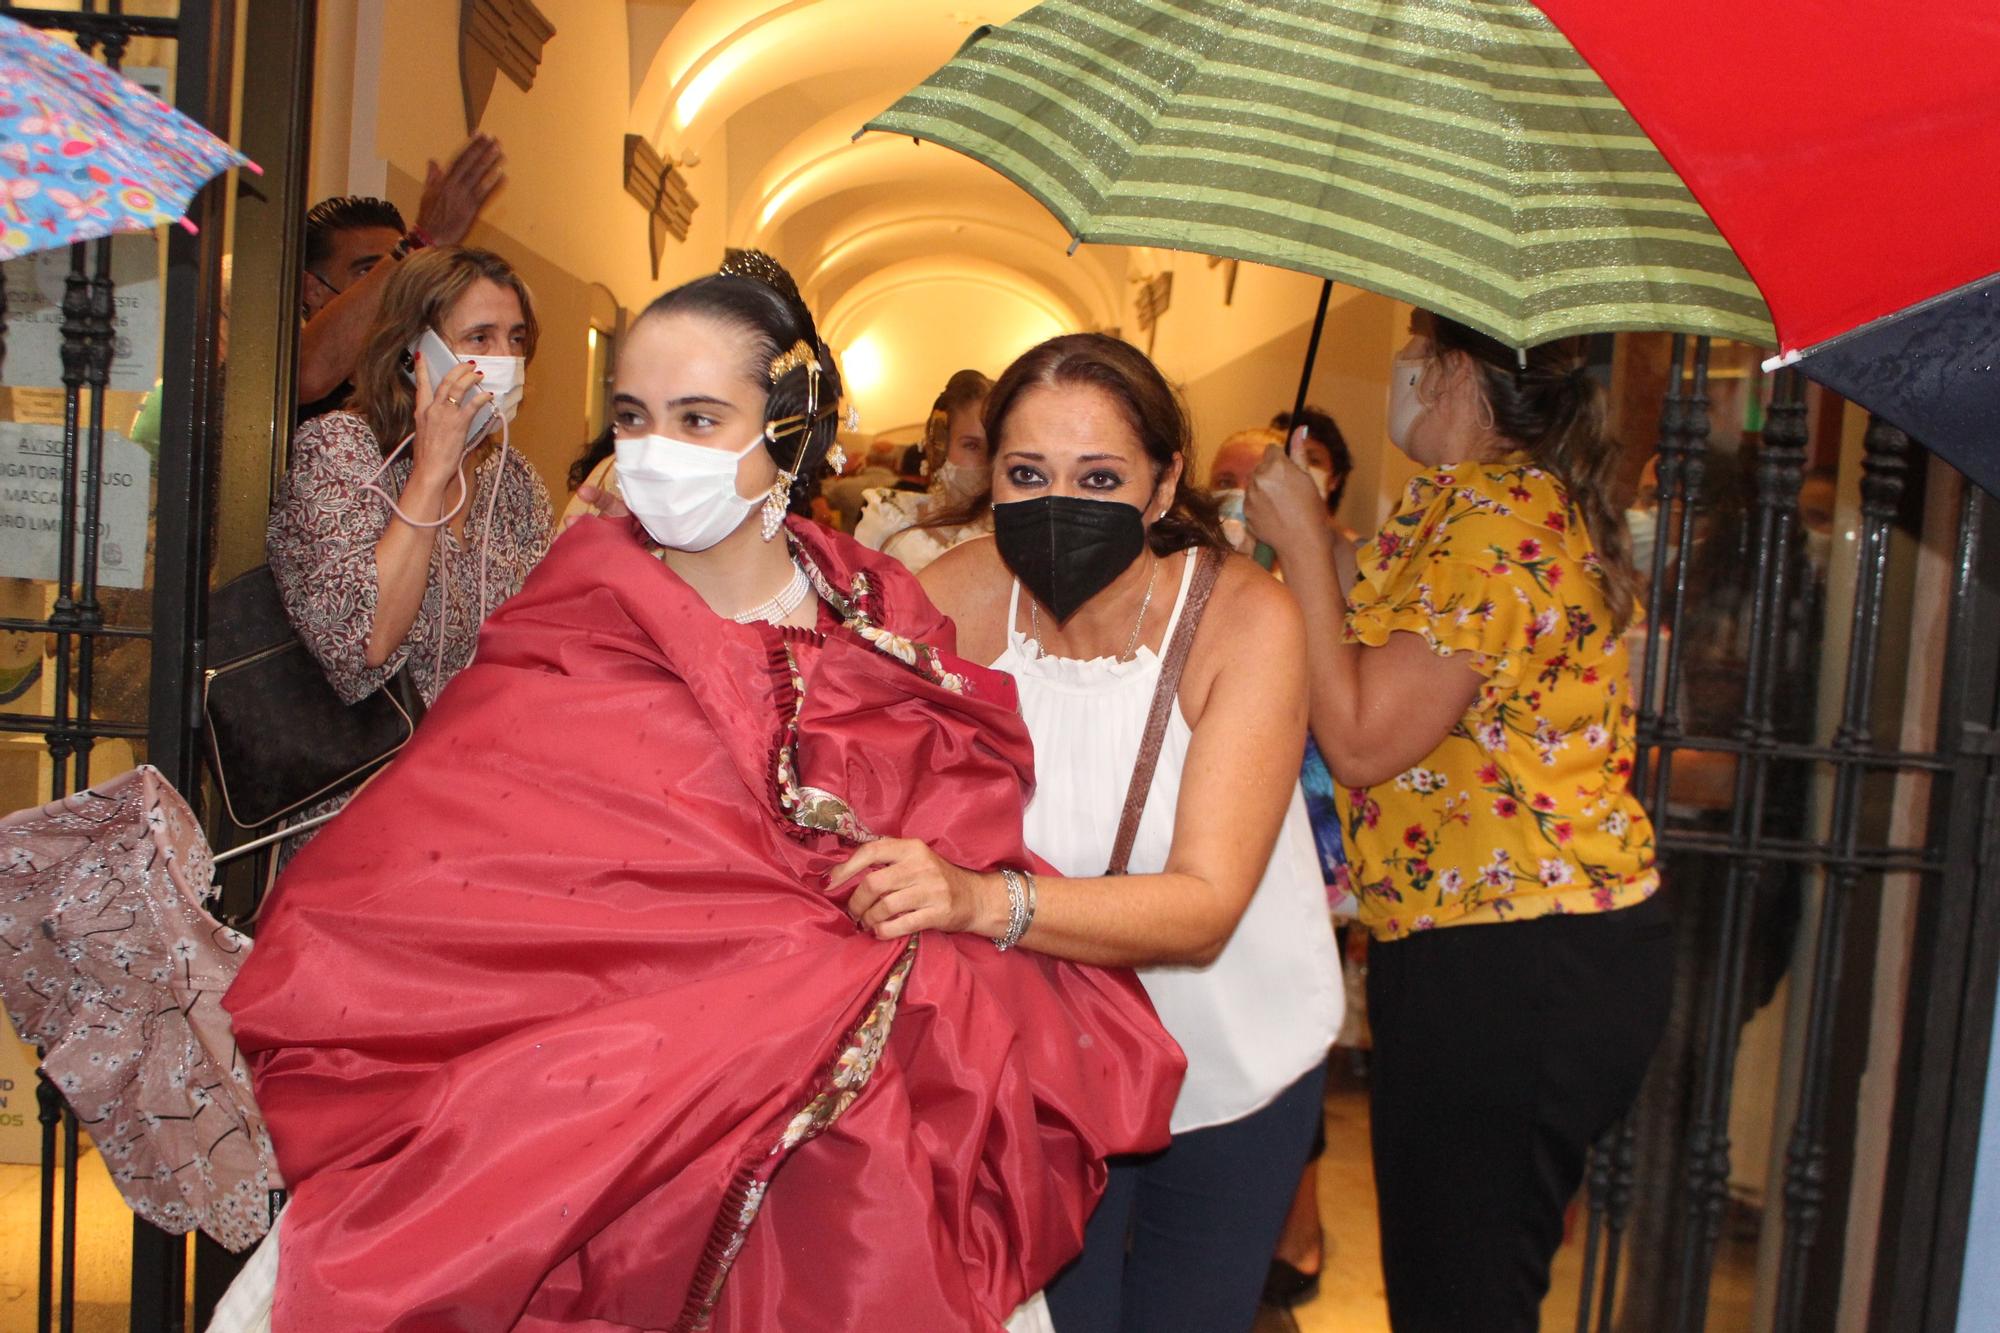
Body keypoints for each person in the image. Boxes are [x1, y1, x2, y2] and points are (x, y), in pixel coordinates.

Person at [219, 255, 1182, 1333]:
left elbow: (955, 809)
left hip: (866, 1128)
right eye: (632, 416)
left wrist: (924, 903)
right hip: (593, 1111)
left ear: (785, 426)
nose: (654, 452)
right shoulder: (576, 606)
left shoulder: (875, 602)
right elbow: (446, 875)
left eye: (697, 417)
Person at [848, 332, 1343, 1333]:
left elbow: (1203, 907)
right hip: (1038, 1056)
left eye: (1099, 475)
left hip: (1232, 1054)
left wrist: (982, 898)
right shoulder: (951, 602)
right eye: (1028, 473)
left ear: (1162, 486)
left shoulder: (1242, 620)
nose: (1058, 503)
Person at [1245, 310, 1672, 1332]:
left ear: (1454, 374)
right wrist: (1314, 538)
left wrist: (1301, 543)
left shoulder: (1486, 519)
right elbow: (1378, 617)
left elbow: (1356, 737)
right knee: (1463, 1285)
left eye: (1415, 350)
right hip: (1507, 949)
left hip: (1512, 959)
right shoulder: (1466, 507)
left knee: (1460, 1300)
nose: (1398, 367)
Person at [268, 244, 551, 717]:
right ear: (414, 353)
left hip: (482, 763)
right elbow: (366, 644)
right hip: (371, 774)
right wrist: (430, 473)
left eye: (516, 339)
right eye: (480, 338)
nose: (506, 358)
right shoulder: (339, 450)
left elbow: (544, 639)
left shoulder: (514, 479)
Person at [296, 134, 505, 420]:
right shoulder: (272, 376)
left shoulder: (412, 381)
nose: (396, 287)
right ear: (313, 289)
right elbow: (309, 371)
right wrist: (420, 243)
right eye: (369, 271)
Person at [855, 368, 995, 573]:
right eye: (971, 446)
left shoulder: (1010, 535)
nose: (985, 461)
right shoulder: (888, 520)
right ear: (939, 447)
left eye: (994, 447)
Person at [821, 436, 899, 529]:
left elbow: (818, 496)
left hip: (852, 542)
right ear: (895, 463)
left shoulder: (845, 486)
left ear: (867, 460)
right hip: (890, 543)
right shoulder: (903, 489)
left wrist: (842, 475)